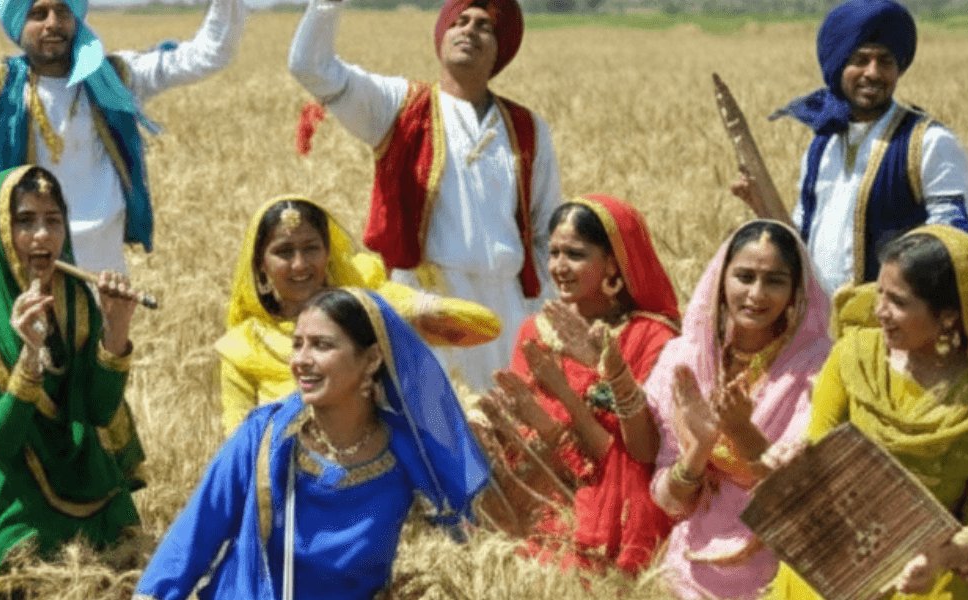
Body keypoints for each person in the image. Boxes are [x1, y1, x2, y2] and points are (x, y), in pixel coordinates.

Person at [765, 226, 968, 599]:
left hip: (928, 577)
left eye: (898, 301)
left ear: (948, 317)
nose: (879, 310)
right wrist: (794, 456)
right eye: (879, 292)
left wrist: (943, 557)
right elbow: (820, 448)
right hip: (836, 559)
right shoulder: (855, 357)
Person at [137, 288, 493, 599]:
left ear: (371, 360)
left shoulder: (406, 450)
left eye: (321, 345)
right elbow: (194, 535)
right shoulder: (264, 436)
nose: (301, 361)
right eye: (297, 344)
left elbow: (465, 530)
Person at [289, 0, 562, 395]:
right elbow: (309, 67)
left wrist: (539, 317)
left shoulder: (527, 128)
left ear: (500, 48)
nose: (469, 30)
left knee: (508, 437)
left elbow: (545, 231)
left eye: (484, 26)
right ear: (442, 36)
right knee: (427, 435)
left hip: (506, 308)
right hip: (425, 303)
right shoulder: (397, 106)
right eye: (460, 21)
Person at [0, 165, 149, 594]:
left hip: (85, 474)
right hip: (14, 487)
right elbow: (0, 438)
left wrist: (116, 330)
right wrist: (30, 355)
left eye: (53, 220)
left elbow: (97, 410)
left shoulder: (73, 294)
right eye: (25, 221)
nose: (43, 235)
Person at [0, 0, 246, 275]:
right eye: (38, 13)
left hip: (102, 272)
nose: (52, 23)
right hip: (25, 268)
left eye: (62, 11)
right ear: (18, 24)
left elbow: (211, 53)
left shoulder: (119, 77)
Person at [478, 194, 679, 577]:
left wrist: (586, 383)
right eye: (553, 253)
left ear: (613, 263)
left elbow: (642, 451)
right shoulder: (535, 330)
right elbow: (523, 433)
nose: (558, 267)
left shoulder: (652, 336)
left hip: (618, 498)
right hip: (546, 485)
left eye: (575, 254)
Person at [733, 0, 968, 296]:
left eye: (885, 61)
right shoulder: (822, 144)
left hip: (891, 330)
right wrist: (763, 207)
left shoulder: (927, 142)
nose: (873, 73)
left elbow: (954, 243)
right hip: (820, 328)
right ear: (838, 65)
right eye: (860, 60)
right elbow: (804, 242)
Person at [640, 221, 832, 599]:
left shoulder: (817, 365)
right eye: (744, 277)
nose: (756, 294)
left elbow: (803, 488)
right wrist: (700, 449)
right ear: (720, 279)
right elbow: (669, 501)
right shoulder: (684, 358)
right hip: (689, 555)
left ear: (796, 291)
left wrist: (741, 431)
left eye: (774, 281)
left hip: (777, 551)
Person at [216, 196, 501, 434]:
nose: (300, 264)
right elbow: (237, 445)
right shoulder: (243, 347)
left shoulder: (365, 307)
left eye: (311, 248)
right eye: (284, 252)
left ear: (328, 253)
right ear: (260, 265)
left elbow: (485, 326)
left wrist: (397, 309)